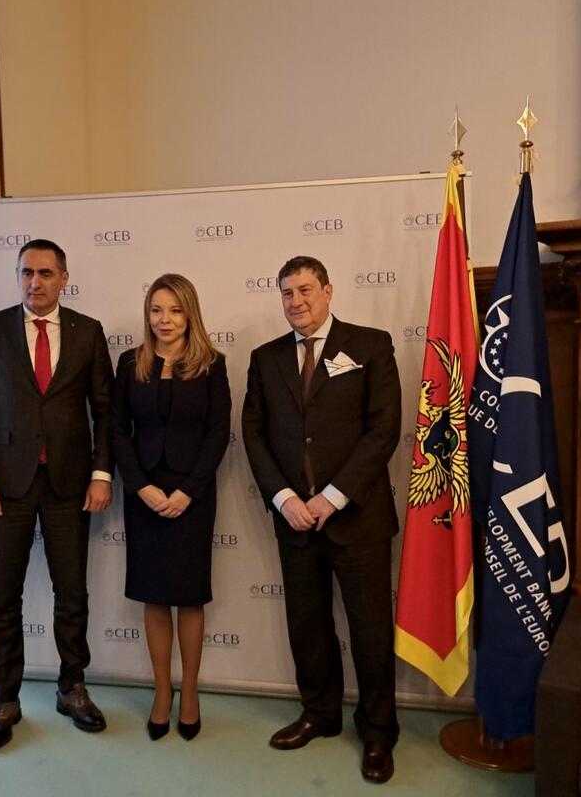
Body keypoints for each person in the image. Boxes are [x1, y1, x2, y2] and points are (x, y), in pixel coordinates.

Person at [241, 255, 401, 783]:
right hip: (294, 519)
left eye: (306, 290)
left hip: (358, 518)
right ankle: (320, 713)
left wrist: (332, 497)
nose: (296, 301)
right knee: (307, 627)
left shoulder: (370, 345)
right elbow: (253, 434)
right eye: (287, 293)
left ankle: (378, 733)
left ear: (328, 291)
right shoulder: (265, 358)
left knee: (370, 631)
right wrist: (284, 498)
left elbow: (383, 430)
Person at [0, 238, 114, 751]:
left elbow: (105, 411)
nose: (35, 282)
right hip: (5, 487)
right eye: (27, 272)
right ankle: (5, 699)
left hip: (70, 484)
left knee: (73, 594)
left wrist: (102, 474)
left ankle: (72, 688)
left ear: (63, 279)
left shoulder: (88, 332)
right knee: (3, 598)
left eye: (46, 273)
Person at [110, 274, 230, 742]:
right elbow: (117, 430)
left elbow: (218, 433)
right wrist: (140, 487)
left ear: (189, 314)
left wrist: (188, 492)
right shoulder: (130, 363)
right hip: (144, 495)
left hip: (191, 497)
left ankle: (191, 693)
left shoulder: (212, 364)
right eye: (157, 310)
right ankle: (162, 692)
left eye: (175, 310)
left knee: (190, 596)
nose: (165, 320)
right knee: (154, 596)